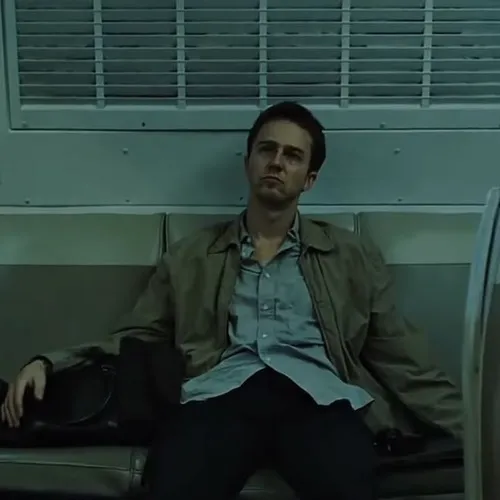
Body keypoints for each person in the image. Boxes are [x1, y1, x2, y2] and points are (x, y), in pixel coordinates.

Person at [1, 101, 462, 500]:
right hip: (219, 397)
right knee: (173, 485)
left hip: (317, 400)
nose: (276, 163)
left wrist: (476, 428)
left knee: (350, 484)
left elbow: (403, 359)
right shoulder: (191, 257)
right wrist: (51, 362)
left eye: (292, 156)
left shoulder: (351, 257)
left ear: (310, 179)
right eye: (267, 150)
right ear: (248, 162)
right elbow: (137, 335)